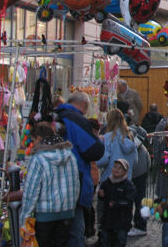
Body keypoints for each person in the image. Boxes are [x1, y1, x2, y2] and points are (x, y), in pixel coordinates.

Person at [55, 92, 105, 247]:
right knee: (75, 232)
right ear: (83, 104)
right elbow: (95, 150)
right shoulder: (76, 120)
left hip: (52, 186)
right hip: (74, 182)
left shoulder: (54, 116)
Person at [21, 122, 80, 247]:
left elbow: (31, 192)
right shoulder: (70, 156)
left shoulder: (38, 159)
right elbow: (76, 185)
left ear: (39, 138)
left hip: (44, 215)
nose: (33, 144)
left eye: (33, 140)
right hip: (67, 213)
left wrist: (25, 218)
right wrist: (71, 206)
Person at [98, 159, 136, 247]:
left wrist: (116, 204)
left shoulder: (128, 186)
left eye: (120, 168)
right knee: (105, 241)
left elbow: (129, 202)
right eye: (115, 167)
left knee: (119, 242)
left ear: (125, 171)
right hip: (107, 220)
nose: (116, 170)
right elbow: (102, 199)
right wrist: (101, 195)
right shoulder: (106, 183)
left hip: (121, 222)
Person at [97, 109, 137, 183]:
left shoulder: (108, 138)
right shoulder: (130, 137)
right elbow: (135, 160)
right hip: (126, 179)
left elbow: (103, 160)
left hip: (110, 180)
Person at [127, 123, 151, 237]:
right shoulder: (130, 129)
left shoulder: (127, 131)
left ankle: (140, 225)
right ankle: (140, 223)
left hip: (138, 168)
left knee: (139, 198)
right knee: (140, 197)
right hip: (141, 166)